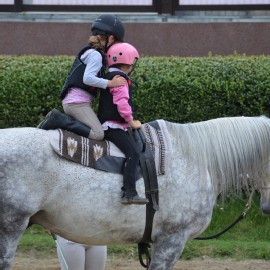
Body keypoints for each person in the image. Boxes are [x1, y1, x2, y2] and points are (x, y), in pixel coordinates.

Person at [39, 14, 126, 139]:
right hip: (76, 103)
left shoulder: (92, 52)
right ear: (110, 38)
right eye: (116, 43)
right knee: (98, 134)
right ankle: (59, 120)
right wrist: (110, 83)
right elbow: (88, 78)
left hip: (76, 102)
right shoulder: (95, 55)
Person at [98, 42, 149, 205]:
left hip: (109, 125)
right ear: (128, 61)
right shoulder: (120, 79)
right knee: (133, 153)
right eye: (133, 61)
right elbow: (122, 104)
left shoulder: (109, 76)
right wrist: (131, 121)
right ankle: (129, 192)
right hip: (114, 126)